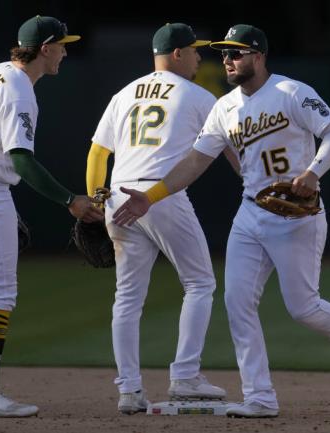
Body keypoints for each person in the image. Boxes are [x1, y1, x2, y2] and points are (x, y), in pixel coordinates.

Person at [112, 24, 330, 418]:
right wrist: (151, 196)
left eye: (237, 53)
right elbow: (196, 161)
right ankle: (260, 397)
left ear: (259, 56)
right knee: (237, 303)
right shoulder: (224, 107)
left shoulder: (291, 92)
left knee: (302, 307)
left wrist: (314, 172)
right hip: (251, 211)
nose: (229, 61)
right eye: (225, 54)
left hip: (296, 213)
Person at [0, 15, 103, 418]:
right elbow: (22, 161)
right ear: (45, 48)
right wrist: (70, 200)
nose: (66, 51)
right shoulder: (19, 90)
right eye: (62, 44)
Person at [86, 23, 238, 414]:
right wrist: (252, 181)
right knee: (200, 282)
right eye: (194, 51)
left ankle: (129, 390)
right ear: (176, 54)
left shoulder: (124, 94)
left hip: (118, 195)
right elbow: (230, 148)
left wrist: (97, 200)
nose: (199, 57)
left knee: (127, 298)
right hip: (159, 194)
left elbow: (98, 154)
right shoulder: (199, 95)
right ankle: (185, 375)